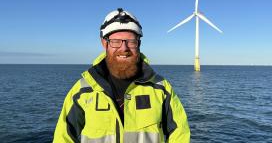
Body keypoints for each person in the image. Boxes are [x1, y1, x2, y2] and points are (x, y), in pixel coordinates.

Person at [53, 8, 190, 143]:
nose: (124, 48)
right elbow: (63, 138)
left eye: (131, 41)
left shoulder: (161, 88)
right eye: (115, 41)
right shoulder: (82, 91)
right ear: (104, 43)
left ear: (139, 44)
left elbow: (180, 133)